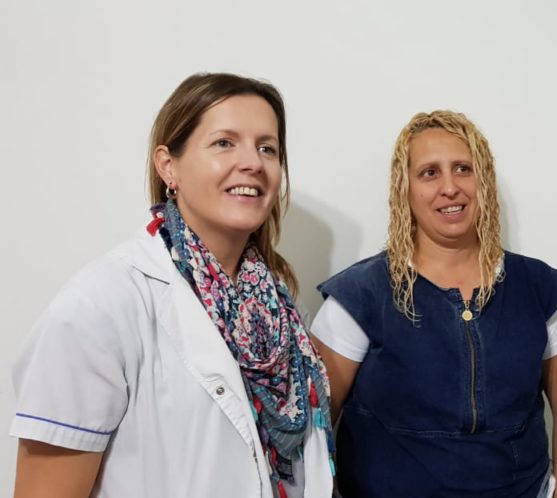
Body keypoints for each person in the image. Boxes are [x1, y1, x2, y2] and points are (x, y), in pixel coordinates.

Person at [10, 73, 334, 498]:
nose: (253, 163)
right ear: (168, 166)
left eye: (267, 148)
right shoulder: (101, 305)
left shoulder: (279, 309)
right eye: (224, 142)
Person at [311, 110, 557, 497]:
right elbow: (315, 428)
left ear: (483, 180)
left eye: (463, 169)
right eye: (429, 173)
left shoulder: (537, 288)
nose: (450, 187)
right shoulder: (360, 295)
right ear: (405, 189)